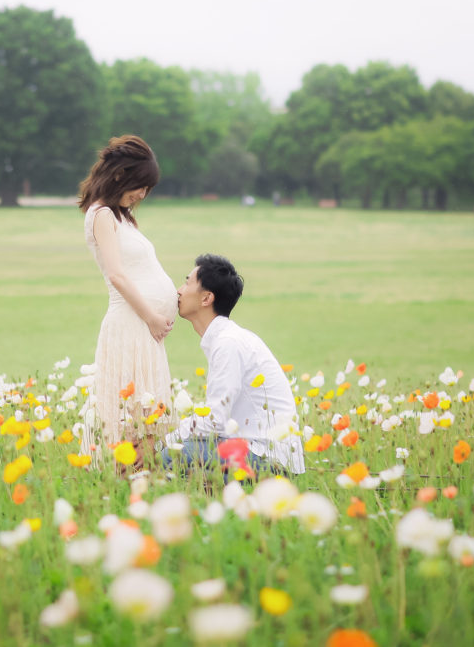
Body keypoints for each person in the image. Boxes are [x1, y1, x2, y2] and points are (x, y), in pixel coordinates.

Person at [78, 135, 177, 464]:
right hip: (132, 325)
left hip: (143, 328)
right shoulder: (102, 215)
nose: (142, 195)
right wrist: (150, 316)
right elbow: (117, 275)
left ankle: (140, 482)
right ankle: (130, 481)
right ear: (120, 175)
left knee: (146, 418)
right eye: (140, 186)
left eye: (148, 189)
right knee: (134, 417)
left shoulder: (121, 216)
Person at [160, 254, 305, 476]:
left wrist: (164, 439)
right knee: (177, 451)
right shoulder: (227, 338)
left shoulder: (228, 343)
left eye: (187, 282)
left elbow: (215, 421)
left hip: (267, 457)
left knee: (169, 455)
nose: (178, 290)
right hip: (254, 448)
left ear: (206, 298)